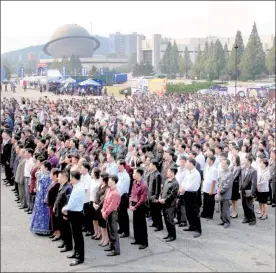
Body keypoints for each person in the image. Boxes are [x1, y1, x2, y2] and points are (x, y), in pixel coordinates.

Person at [62, 170, 85, 266]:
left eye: (71, 177)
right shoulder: (76, 187)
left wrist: (64, 208)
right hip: (74, 213)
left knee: (78, 236)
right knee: (75, 236)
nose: (70, 178)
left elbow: (72, 203)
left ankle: (80, 258)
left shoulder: (78, 188)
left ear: (74, 178)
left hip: (76, 214)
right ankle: (76, 253)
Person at [180, 158, 202, 238]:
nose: (186, 164)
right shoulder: (188, 173)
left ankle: (198, 229)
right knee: (188, 211)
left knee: (194, 212)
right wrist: (182, 187)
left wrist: (183, 188)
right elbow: (184, 181)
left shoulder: (196, 173)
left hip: (193, 194)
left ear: (192, 164)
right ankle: (192, 226)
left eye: (187, 163)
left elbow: (193, 186)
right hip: (186, 193)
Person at [30, 161, 52, 235]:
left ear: (46, 168)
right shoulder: (41, 174)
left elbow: (47, 189)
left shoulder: (48, 176)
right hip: (39, 195)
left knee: (44, 212)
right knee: (38, 211)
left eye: (42, 166)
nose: (41, 167)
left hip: (43, 196)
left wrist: (46, 198)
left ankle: (44, 229)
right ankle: (37, 227)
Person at [102, 175, 121, 256]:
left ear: (113, 181)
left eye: (109, 180)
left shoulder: (116, 193)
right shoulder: (108, 190)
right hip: (107, 212)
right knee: (109, 230)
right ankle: (111, 246)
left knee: (113, 231)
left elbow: (112, 206)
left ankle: (116, 250)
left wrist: (105, 212)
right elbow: (105, 201)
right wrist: (103, 209)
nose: (108, 181)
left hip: (112, 213)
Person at [53, 170, 73, 251]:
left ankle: (68, 246)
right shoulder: (62, 185)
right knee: (62, 228)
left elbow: (67, 202)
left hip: (64, 212)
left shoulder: (68, 188)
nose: (58, 178)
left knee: (66, 229)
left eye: (60, 177)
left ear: (65, 177)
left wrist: (66, 214)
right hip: (60, 211)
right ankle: (64, 242)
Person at [130, 168, 149, 250]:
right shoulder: (134, 182)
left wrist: (135, 206)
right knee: (135, 223)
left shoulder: (144, 185)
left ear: (139, 174)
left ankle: (144, 242)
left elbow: (142, 199)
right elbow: (132, 193)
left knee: (142, 225)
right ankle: (137, 239)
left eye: (134, 173)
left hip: (140, 206)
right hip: (134, 204)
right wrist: (131, 204)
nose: (133, 174)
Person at [159, 166, 179, 242]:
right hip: (164, 203)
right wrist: (161, 197)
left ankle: (173, 236)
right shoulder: (167, 180)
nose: (167, 172)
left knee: (170, 220)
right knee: (166, 220)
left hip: (170, 205)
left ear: (173, 173)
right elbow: (163, 190)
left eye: (168, 171)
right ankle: (169, 234)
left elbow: (172, 195)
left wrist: (165, 200)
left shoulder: (175, 183)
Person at [240, 155, 257, 226]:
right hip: (243, 190)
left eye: (245, 160)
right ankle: (246, 217)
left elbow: (254, 183)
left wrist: (252, 193)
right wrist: (240, 188)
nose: (244, 161)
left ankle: (253, 219)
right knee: (244, 205)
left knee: (250, 206)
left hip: (249, 190)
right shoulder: (243, 169)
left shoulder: (253, 171)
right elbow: (241, 179)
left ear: (249, 162)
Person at [216, 158, 233, 229]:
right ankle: (223, 220)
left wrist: (220, 190)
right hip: (220, 192)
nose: (222, 165)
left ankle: (227, 222)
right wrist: (217, 188)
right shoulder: (221, 171)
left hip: (226, 194)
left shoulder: (230, 174)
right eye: (222, 163)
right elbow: (218, 181)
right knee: (221, 208)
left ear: (228, 165)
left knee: (226, 209)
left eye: (224, 164)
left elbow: (227, 185)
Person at [93, 173, 109, 247]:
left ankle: (106, 239)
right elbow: (97, 195)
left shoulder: (107, 188)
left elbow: (104, 198)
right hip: (97, 207)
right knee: (100, 223)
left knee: (104, 224)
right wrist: (94, 203)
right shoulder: (100, 186)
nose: (100, 179)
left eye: (101, 178)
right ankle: (103, 238)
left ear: (104, 180)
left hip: (102, 207)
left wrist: (98, 205)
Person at [147, 159, 163, 231]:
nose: (149, 166)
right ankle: (154, 222)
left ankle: (159, 225)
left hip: (154, 196)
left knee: (157, 211)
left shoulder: (158, 175)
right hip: (150, 195)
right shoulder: (151, 173)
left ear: (154, 165)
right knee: (152, 210)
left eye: (150, 164)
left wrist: (156, 197)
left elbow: (157, 188)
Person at [117, 159, 130, 238]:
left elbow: (122, 189)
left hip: (123, 197)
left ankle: (126, 231)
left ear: (122, 165)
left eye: (118, 165)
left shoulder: (126, 176)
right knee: (119, 214)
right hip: (119, 196)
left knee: (124, 215)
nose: (117, 166)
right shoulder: (120, 173)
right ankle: (121, 228)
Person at [201, 155, 218, 220]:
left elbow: (214, 180)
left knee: (210, 202)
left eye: (208, 160)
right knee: (205, 202)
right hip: (206, 187)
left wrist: (211, 189)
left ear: (212, 161)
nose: (207, 161)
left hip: (211, 188)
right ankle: (204, 213)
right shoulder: (207, 167)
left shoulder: (214, 169)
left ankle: (209, 215)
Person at [46, 168, 61, 238]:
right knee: (52, 218)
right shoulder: (53, 182)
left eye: (51, 174)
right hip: (50, 203)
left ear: (55, 175)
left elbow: (56, 195)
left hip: (54, 204)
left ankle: (58, 233)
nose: (50, 175)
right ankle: (54, 231)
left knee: (56, 219)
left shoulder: (57, 184)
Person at [80, 162, 93, 236]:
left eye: (82, 169)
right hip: (82, 198)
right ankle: (85, 227)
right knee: (83, 214)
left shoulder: (88, 178)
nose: (81, 170)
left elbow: (85, 189)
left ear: (86, 170)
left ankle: (89, 229)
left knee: (88, 215)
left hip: (87, 199)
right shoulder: (82, 176)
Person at [89, 168, 102, 241]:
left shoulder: (99, 181)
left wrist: (95, 201)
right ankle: (95, 232)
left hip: (96, 202)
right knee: (93, 219)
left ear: (95, 174)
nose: (91, 173)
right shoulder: (92, 180)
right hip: (91, 200)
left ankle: (99, 234)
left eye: (92, 172)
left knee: (97, 219)